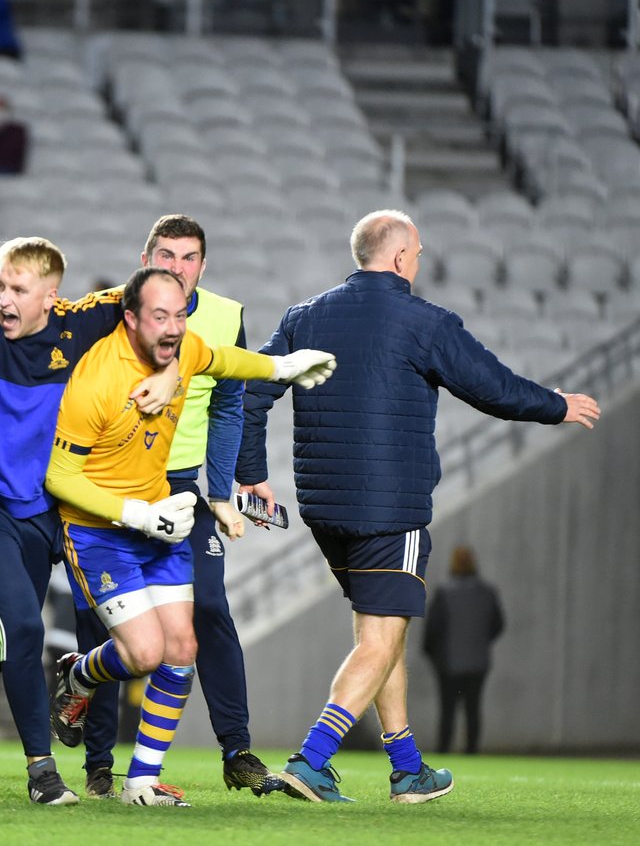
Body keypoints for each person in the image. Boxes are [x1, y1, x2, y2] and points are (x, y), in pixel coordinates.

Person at [235, 209, 600, 804]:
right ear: (402, 257)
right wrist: (554, 405)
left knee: (382, 635)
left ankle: (407, 769)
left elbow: (253, 390)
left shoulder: (305, 317)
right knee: (380, 640)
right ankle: (312, 760)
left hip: (325, 510)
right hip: (390, 510)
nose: (419, 262)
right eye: (419, 253)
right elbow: (492, 386)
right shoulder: (425, 321)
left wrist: (252, 474)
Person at [0, 237, 178, 805]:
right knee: (24, 629)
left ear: (50, 297)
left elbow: (164, 307)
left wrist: (174, 369)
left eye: (17, 289)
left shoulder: (81, 323)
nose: (2, 297)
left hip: (48, 508)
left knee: (14, 629)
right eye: (0, 284)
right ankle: (41, 772)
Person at [45, 266, 335, 807]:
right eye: (160, 316)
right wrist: (133, 514)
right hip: (99, 532)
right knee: (148, 652)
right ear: (130, 320)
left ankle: (141, 783)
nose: (174, 327)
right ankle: (80, 676)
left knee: (183, 647)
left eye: (180, 314)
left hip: (161, 521)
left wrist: (282, 366)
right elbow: (59, 478)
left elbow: (225, 361)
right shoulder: (96, 379)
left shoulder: (184, 351)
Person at [74, 215, 273, 800]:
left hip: (185, 488)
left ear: (202, 266)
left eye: (188, 257)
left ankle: (236, 749)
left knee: (209, 607)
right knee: (103, 624)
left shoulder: (227, 315)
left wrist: (222, 488)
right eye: (166, 254)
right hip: (117, 483)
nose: (177, 267)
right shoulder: (114, 311)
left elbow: (230, 405)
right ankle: (99, 764)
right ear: (146, 257)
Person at [423, 545, 505, 755]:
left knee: (447, 710)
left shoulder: (444, 592)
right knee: (473, 708)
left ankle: (443, 750)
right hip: (478, 661)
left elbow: (433, 628)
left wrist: (431, 653)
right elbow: (498, 624)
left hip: (449, 662)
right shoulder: (487, 592)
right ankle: (471, 750)